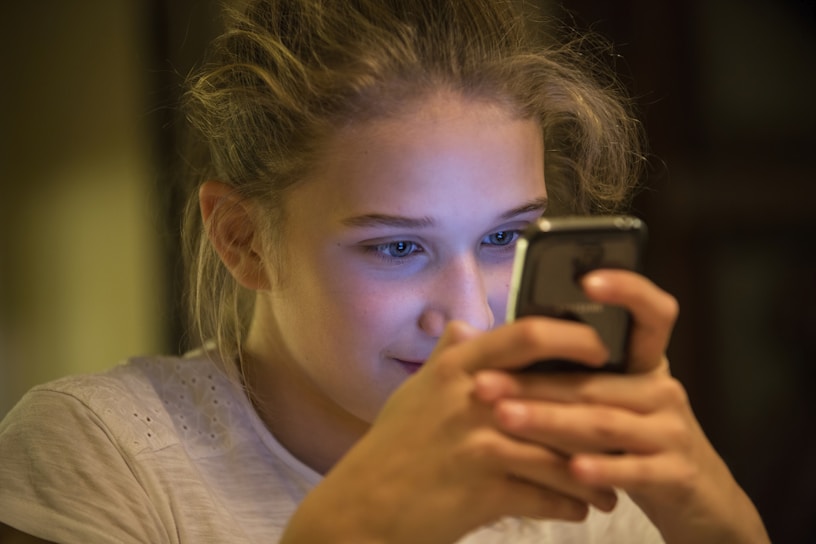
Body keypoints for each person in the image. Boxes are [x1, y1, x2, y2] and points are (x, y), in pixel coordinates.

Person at [0, 1, 770, 542]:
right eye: (398, 247)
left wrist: (721, 523)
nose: (469, 319)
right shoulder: (100, 456)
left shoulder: (582, 484)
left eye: (506, 238)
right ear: (242, 239)